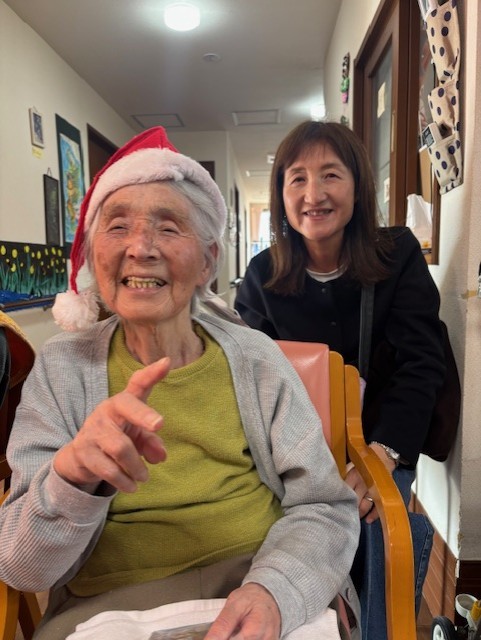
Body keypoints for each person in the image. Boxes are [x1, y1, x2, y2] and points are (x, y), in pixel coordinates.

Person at [0, 127, 361, 640]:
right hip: (108, 607)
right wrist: (72, 475)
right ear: (93, 253)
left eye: (168, 228)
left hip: (255, 582)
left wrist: (275, 591)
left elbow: (324, 505)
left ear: (208, 261)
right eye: (117, 226)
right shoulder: (60, 369)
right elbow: (22, 566)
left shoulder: (256, 357)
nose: (140, 248)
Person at [234, 120, 446, 639]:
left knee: (376, 526)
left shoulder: (397, 255)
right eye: (298, 178)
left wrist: (383, 454)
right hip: (291, 449)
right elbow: (251, 384)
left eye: (330, 174)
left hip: (380, 439)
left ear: (357, 185)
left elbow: (422, 361)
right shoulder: (261, 277)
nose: (314, 194)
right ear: (282, 193)